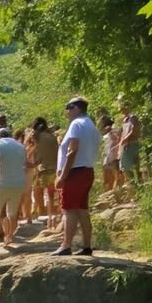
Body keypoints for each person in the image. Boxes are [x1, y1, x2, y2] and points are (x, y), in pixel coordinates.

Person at [54, 96, 101, 256]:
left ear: (76, 108)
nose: (66, 111)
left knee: (69, 209)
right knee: (82, 209)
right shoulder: (91, 125)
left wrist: (63, 176)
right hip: (87, 170)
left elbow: (73, 150)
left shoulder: (76, 124)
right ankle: (87, 246)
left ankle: (66, 245)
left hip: (75, 171)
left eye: (68, 107)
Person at [0, 127, 28, 248]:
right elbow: (25, 164)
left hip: (3, 183)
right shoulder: (20, 146)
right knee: (12, 214)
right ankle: (9, 237)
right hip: (19, 183)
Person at [29, 117, 59, 227]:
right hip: (55, 168)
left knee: (42, 193)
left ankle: (49, 219)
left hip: (44, 169)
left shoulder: (37, 136)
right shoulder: (52, 136)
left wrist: (32, 163)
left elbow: (38, 153)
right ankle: (54, 219)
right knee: (53, 195)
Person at [117, 99, 142, 188]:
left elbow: (134, 129)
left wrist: (125, 138)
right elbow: (123, 132)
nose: (122, 110)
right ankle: (134, 184)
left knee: (131, 165)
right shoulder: (125, 120)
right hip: (126, 144)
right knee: (126, 166)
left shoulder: (132, 117)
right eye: (121, 109)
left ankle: (136, 184)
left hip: (132, 143)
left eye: (123, 108)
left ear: (128, 108)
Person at [99, 116, 121, 192]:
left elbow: (115, 142)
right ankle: (109, 190)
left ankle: (114, 190)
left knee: (114, 174)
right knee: (108, 175)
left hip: (113, 156)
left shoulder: (113, 131)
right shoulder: (106, 135)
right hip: (108, 156)